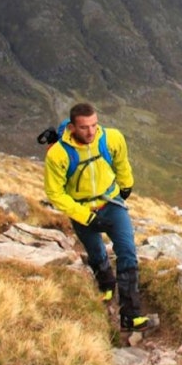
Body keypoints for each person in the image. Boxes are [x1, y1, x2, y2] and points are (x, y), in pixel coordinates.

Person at [44, 102, 155, 332]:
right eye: (84, 127)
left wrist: (126, 185)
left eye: (94, 125)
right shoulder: (58, 154)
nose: (91, 132)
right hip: (83, 210)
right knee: (95, 251)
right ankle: (106, 283)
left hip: (112, 204)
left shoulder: (111, 138)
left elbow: (121, 161)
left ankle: (130, 315)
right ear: (73, 127)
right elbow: (55, 193)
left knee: (127, 252)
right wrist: (85, 216)